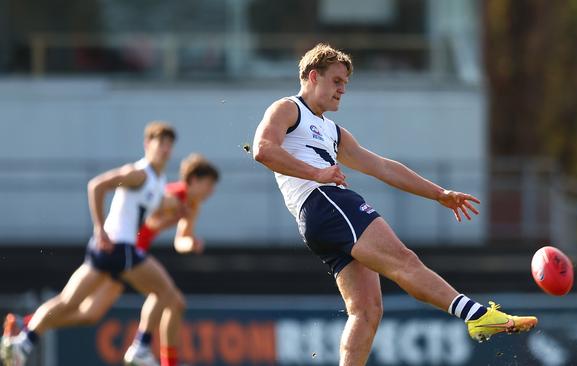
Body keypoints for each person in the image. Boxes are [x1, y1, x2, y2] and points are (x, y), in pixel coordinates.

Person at [252, 43, 537, 365]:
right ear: (313, 76)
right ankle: (477, 315)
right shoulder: (288, 108)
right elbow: (263, 149)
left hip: (318, 220)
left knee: (366, 310)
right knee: (404, 260)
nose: (342, 89)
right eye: (336, 81)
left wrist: (438, 193)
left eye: (345, 83)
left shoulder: (333, 131)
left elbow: (383, 167)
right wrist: (317, 172)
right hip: (326, 202)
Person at [2, 153, 219, 366]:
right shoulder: (172, 194)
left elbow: (181, 239)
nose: (211, 192)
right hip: (129, 255)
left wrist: (191, 244)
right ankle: (156, 356)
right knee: (171, 297)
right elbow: (149, 222)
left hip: (132, 258)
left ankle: (26, 324)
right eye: (209, 185)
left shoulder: (193, 206)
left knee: (89, 314)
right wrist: (172, 218)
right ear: (193, 180)